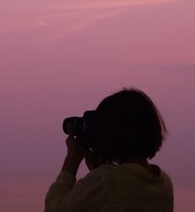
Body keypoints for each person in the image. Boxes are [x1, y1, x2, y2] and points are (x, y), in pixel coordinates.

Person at [44, 88, 174, 212]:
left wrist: (71, 161)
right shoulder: (164, 183)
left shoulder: (105, 180)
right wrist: (97, 170)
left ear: (111, 131)